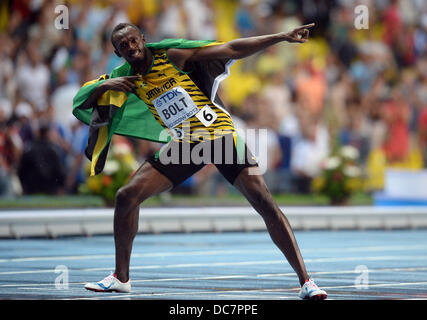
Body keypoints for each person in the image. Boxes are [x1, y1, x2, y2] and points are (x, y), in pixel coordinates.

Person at [78, 22, 327, 300]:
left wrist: (280, 36)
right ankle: (121, 278)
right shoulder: (126, 79)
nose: (131, 48)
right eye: (124, 46)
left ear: (143, 40)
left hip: (219, 136)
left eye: (134, 41)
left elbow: (231, 48)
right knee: (126, 196)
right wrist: (106, 85)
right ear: (117, 51)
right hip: (186, 145)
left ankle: (306, 281)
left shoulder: (172, 56)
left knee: (265, 205)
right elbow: (83, 104)